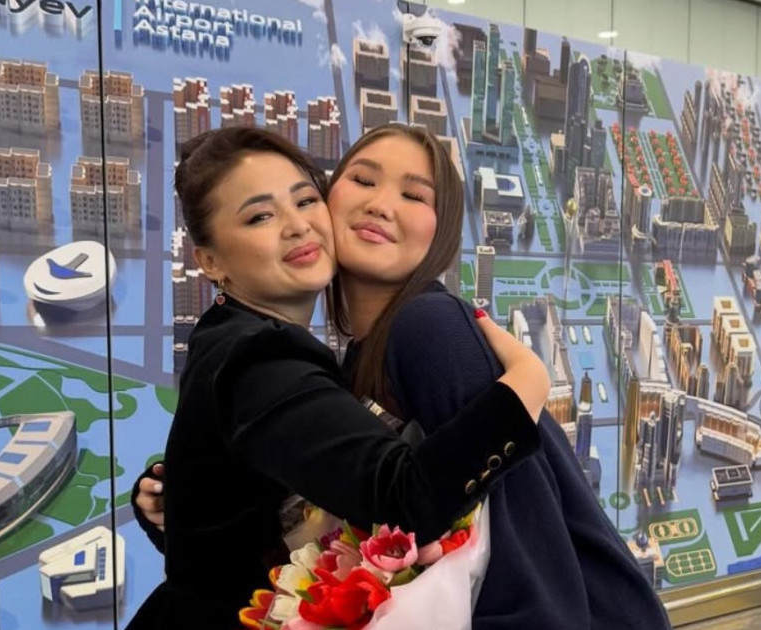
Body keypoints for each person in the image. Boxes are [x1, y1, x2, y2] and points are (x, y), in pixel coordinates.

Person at [135, 124, 672, 628]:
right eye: (363, 180)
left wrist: (529, 381)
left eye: (414, 195)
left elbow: (526, 540)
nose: (380, 204)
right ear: (209, 261)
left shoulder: (427, 327)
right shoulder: (341, 357)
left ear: (442, 228)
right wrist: (194, 499)